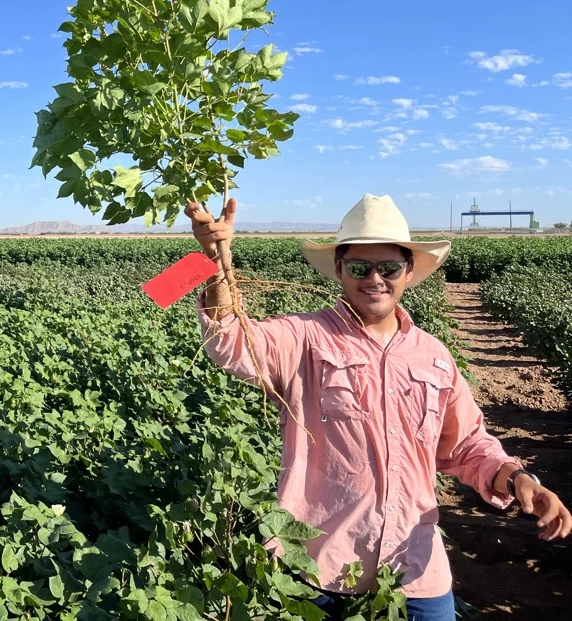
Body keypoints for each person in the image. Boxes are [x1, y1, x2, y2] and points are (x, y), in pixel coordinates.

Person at [185, 193, 572, 621]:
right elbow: (230, 343)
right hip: (317, 572)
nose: (374, 279)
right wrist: (216, 261)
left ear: (408, 272)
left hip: (415, 570)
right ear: (339, 269)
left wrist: (517, 478)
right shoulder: (303, 338)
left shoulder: (434, 356)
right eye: (359, 267)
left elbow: (465, 444)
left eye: (388, 267)